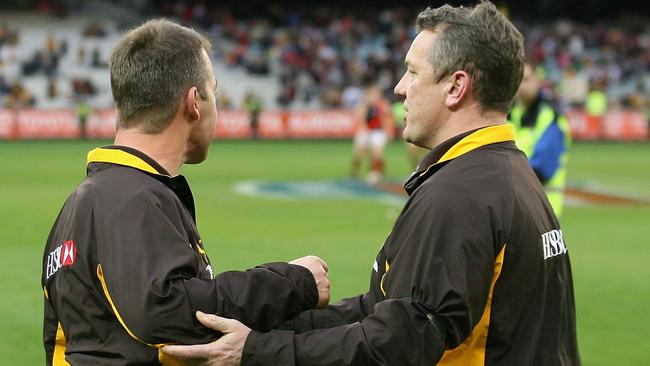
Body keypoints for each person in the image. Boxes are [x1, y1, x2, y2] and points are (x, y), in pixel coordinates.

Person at [163, 2, 581, 365]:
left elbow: (398, 343)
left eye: (413, 73)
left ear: (456, 87)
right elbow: (382, 311)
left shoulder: (460, 194)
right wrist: (268, 327)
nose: (399, 88)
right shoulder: (510, 176)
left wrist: (256, 352)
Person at [41, 19, 330, 366]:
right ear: (194, 102)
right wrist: (292, 282)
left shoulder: (84, 201)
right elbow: (166, 310)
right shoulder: (132, 197)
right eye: (214, 91)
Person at [508, 62, 572, 218]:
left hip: (541, 214)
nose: (521, 85)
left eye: (526, 79)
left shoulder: (551, 118)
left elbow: (542, 169)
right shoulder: (510, 113)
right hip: (513, 210)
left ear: (539, 81)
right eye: (517, 79)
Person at [350, 81, 393, 184]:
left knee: (377, 155)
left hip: (377, 131)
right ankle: (353, 175)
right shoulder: (363, 105)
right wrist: (365, 131)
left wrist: (388, 131)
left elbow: (387, 119)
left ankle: (378, 174)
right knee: (359, 155)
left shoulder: (383, 105)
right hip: (365, 131)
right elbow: (361, 119)